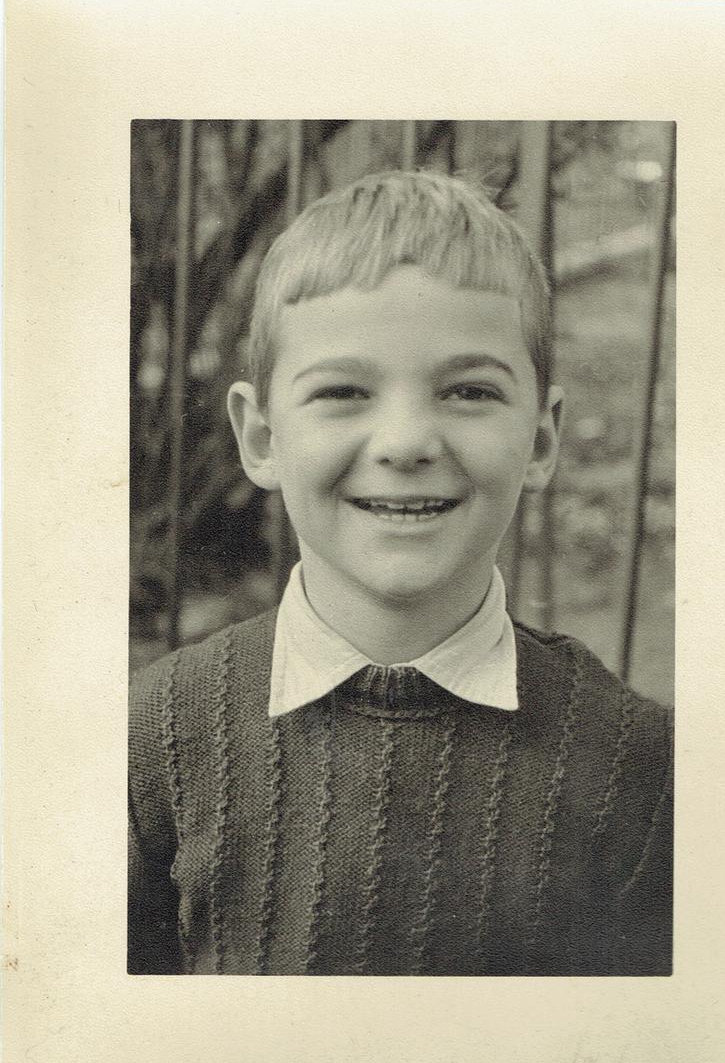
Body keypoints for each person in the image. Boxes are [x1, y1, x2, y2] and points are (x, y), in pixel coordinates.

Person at [128, 169, 673, 976]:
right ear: (262, 438)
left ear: (542, 439)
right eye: (344, 391)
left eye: (469, 390)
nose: (408, 441)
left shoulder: (642, 769)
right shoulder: (152, 742)